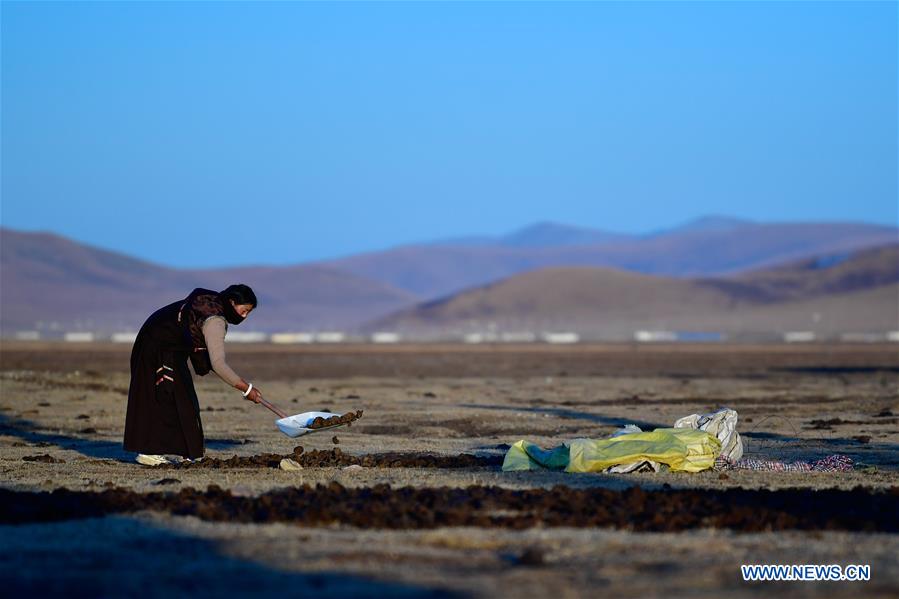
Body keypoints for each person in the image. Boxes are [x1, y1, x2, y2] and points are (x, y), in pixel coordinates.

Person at [123, 284, 263, 465]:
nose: (244, 317)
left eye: (248, 313)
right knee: (167, 397)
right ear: (232, 302)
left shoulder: (212, 304)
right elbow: (218, 364)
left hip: (167, 348)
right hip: (156, 348)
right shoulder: (215, 321)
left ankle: (187, 454)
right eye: (244, 311)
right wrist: (247, 389)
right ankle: (151, 453)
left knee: (184, 399)